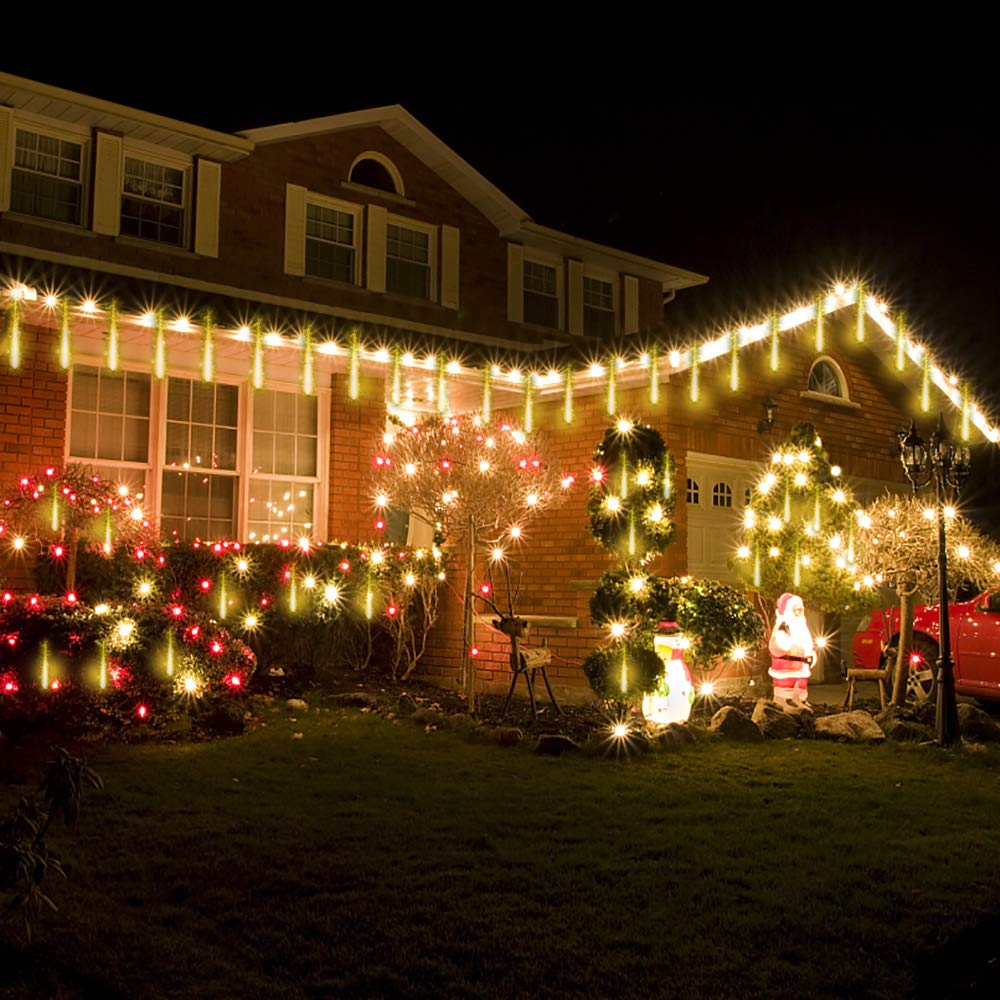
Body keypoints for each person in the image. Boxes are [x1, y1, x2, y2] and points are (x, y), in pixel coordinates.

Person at [768, 592, 814, 710]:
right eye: (795, 609)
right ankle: (784, 701)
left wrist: (811, 654)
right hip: (786, 667)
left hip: (802, 667)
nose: (798, 612)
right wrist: (782, 643)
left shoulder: (801, 626)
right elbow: (775, 647)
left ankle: (801, 700)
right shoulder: (782, 628)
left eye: (800, 609)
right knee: (787, 686)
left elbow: (807, 645)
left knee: (801, 685)